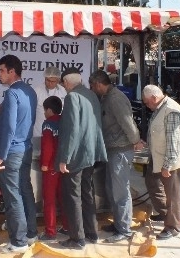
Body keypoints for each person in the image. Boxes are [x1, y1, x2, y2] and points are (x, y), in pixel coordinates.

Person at [56, 68, 107, 249]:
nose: (63, 87)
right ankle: (91, 233)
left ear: (68, 82)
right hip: (90, 154)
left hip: (76, 156)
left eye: (63, 84)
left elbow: (71, 131)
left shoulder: (72, 97)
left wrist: (64, 158)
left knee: (73, 197)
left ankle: (77, 238)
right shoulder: (91, 95)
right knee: (87, 193)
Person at [88, 70, 142, 243]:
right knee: (111, 190)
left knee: (120, 191)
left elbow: (128, 122)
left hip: (121, 150)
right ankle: (119, 223)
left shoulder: (115, 99)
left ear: (98, 84)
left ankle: (124, 229)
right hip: (112, 149)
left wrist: (136, 141)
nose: (92, 89)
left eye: (92, 86)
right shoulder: (107, 97)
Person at [0, 54, 38, 254]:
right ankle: (30, 233)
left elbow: (10, 128)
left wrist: (1, 156)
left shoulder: (12, 93)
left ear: (12, 71)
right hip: (25, 148)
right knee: (24, 191)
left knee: (13, 197)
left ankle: (18, 241)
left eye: (2, 70)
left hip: (12, 152)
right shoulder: (30, 91)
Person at [143, 84, 180, 240]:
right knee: (152, 183)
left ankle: (172, 226)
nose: (147, 105)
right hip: (159, 157)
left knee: (172, 195)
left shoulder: (171, 109)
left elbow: (173, 140)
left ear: (154, 98)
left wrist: (168, 164)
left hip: (169, 160)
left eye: (147, 102)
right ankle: (165, 214)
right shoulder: (160, 107)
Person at [37, 96, 68, 241]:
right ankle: (67, 226)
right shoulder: (65, 121)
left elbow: (47, 145)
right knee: (63, 197)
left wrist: (44, 163)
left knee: (49, 200)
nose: (44, 113)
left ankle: (50, 231)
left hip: (50, 167)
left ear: (49, 110)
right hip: (64, 165)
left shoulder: (48, 124)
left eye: (44, 110)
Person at [33, 66, 66, 154]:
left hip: (58, 133)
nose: (50, 83)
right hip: (39, 133)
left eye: (53, 81)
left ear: (58, 80)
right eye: (48, 80)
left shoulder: (64, 91)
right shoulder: (36, 91)